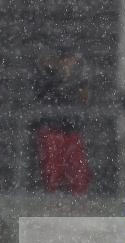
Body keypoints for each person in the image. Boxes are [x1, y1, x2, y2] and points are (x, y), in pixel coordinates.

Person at [33, 47, 91, 194]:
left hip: (71, 129)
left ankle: (76, 201)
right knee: (52, 171)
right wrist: (60, 78)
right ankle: (53, 200)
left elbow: (84, 101)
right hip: (52, 129)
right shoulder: (47, 75)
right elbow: (43, 96)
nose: (69, 63)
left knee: (78, 171)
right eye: (67, 59)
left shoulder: (80, 79)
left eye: (72, 60)